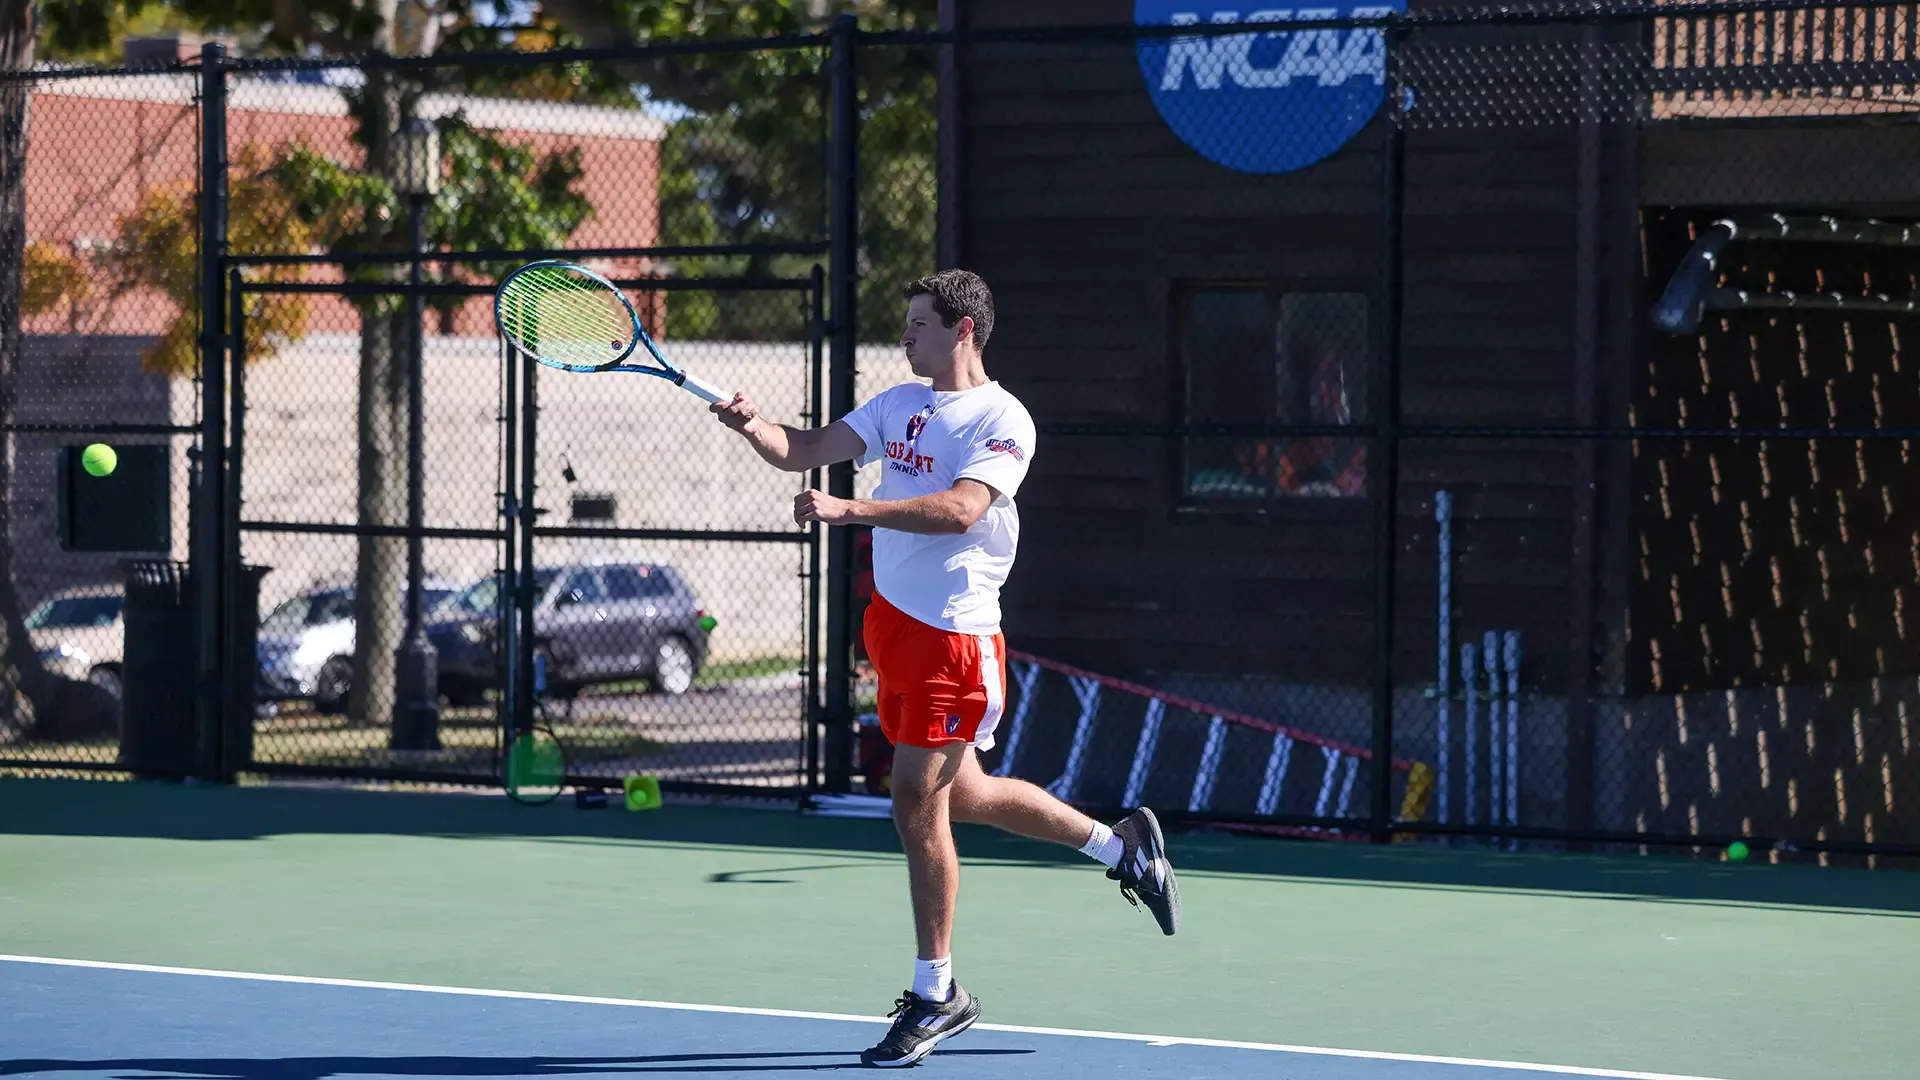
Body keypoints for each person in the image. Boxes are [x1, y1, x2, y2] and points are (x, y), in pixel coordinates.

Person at [709, 269, 1180, 1068]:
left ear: (964, 329)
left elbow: (963, 508)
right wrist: (754, 428)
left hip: (954, 640)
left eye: (919, 324)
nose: (906, 337)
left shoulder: (1004, 419)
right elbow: (808, 449)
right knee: (969, 796)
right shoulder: (897, 405)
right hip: (895, 627)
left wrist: (850, 509)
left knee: (912, 805)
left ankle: (938, 994)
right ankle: (1122, 845)